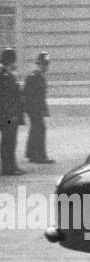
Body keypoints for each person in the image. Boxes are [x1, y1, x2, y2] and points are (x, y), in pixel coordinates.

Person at [23, 51, 53, 164]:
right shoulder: (35, 77)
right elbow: (29, 94)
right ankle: (40, 156)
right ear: (40, 64)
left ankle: (31, 154)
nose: (46, 67)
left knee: (35, 129)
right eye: (44, 64)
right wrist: (36, 109)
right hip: (34, 109)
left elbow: (41, 96)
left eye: (46, 64)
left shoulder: (38, 76)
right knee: (40, 129)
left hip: (36, 109)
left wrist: (44, 109)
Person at [0, 47, 23, 176]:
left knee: (11, 141)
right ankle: (8, 167)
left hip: (9, 114)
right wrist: (11, 114)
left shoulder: (8, 73)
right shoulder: (4, 74)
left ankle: (12, 165)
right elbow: (5, 98)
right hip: (7, 116)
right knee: (9, 141)